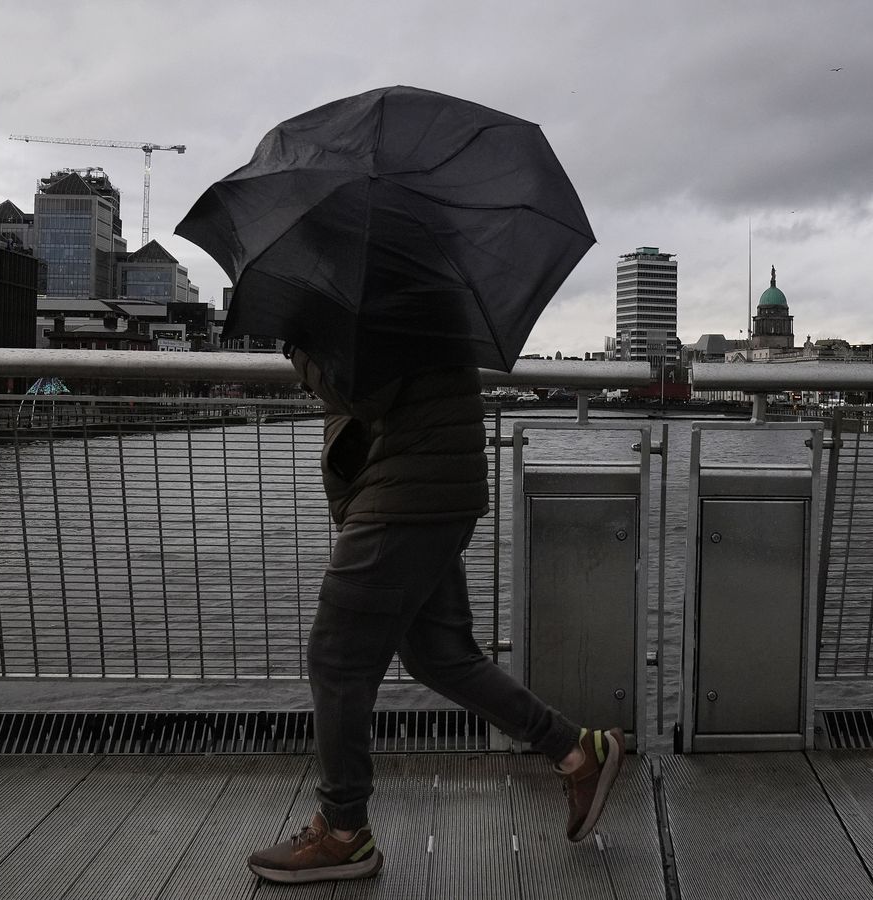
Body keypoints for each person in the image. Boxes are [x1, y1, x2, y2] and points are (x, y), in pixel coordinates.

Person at [246, 346, 624, 884]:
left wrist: (301, 349)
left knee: (336, 660)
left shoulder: (382, 296)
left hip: (402, 496)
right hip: (430, 487)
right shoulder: (422, 296)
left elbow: (364, 390)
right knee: (439, 655)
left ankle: (343, 832)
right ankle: (576, 752)